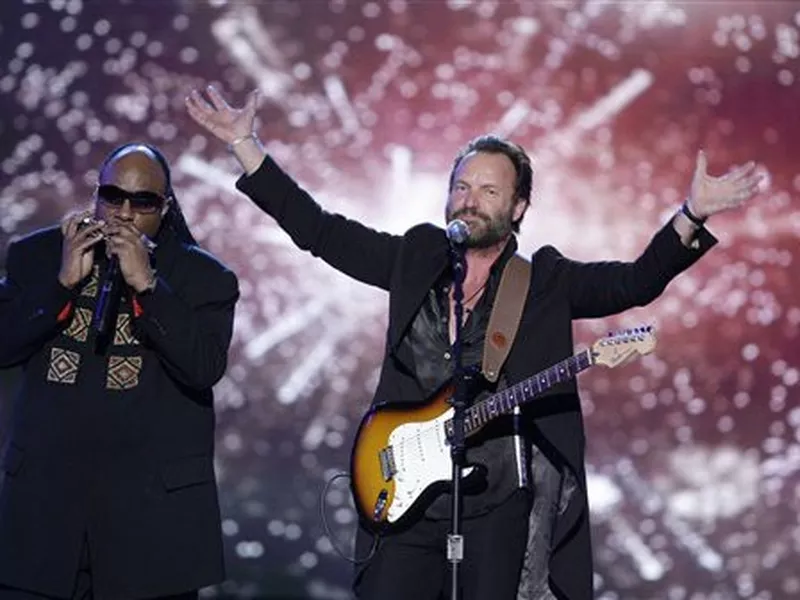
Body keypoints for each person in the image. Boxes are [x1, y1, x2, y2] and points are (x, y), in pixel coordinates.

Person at [186, 86, 762, 600]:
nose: (469, 198)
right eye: (461, 186)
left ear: (517, 209)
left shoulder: (545, 281)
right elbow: (318, 230)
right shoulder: (415, 257)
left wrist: (691, 215)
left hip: (495, 501)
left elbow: (634, 282)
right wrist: (246, 147)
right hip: (401, 490)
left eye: (488, 190)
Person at [0, 143, 239, 600]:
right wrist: (59, 286)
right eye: (113, 196)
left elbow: (204, 367)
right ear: (96, 195)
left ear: (165, 208)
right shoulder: (37, 256)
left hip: (148, 533)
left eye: (143, 202)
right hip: (42, 523)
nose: (124, 213)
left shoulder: (203, 279)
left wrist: (149, 286)